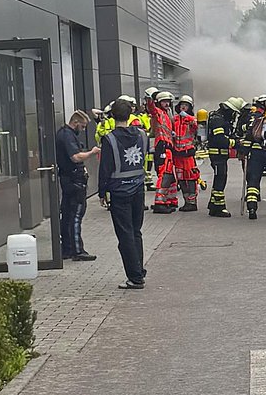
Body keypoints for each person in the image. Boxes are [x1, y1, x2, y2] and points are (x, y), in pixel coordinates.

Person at [98, 99, 148, 289]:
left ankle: (135, 277)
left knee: (125, 234)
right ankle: (139, 270)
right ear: (130, 115)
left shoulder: (109, 139)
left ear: (112, 115)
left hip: (119, 192)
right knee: (136, 232)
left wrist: (102, 192)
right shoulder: (142, 135)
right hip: (138, 188)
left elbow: (105, 168)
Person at [56, 110, 100, 261]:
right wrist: (92, 152)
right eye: (82, 126)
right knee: (75, 214)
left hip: (69, 179)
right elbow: (75, 157)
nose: (83, 129)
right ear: (75, 123)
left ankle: (67, 249)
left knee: (68, 214)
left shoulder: (64, 133)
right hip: (74, 180)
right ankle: (77, 250)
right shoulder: (67, 136)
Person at [205, 97, 244, 217]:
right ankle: (219, 208)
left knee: (220, 178)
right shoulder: (218, 120)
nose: (234, 116)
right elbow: (220, 139)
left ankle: (213, 204)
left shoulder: (221, 119)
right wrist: (235, 143)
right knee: (220, 179)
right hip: (217, 154)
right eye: (234, 113)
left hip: (221, 154)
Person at [148, 90, 179, 213]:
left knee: (170, 177)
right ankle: (159, 203)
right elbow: (151, 109)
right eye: (164, 101)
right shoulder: (158, 112)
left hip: (169, 147)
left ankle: (169, 201)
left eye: (168, 101)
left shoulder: (167, 114)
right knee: (164, 174)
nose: (166, 104)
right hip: (162, 147)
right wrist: (149, 99)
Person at [171, 95, 202, 211]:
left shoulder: (192, 119)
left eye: (186, 105)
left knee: (191, 177)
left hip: (188, 153)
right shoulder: (174, 119)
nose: (183, 107)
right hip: (177, 154)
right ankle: (186, 201)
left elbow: (198, 128)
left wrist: (188, 117)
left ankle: (192, 202)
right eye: (182, 105)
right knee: (181, 178)